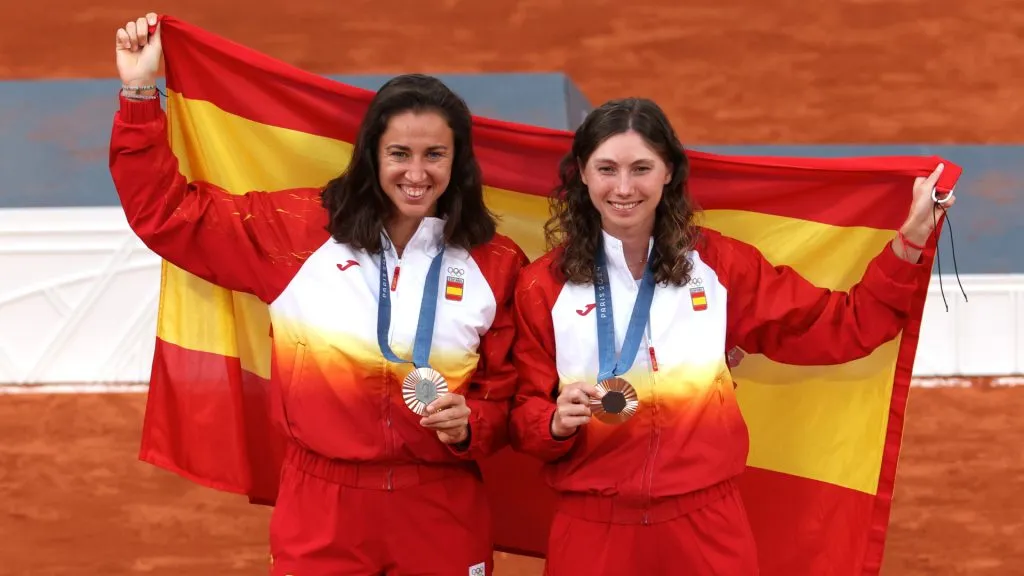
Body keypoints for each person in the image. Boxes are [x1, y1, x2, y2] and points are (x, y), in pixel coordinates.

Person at [111, 13, 528, 576]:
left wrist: (472, 421)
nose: (417, 173)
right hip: (322, 501)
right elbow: (168, 214)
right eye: (399, 153)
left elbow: (510, 393)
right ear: (371, 156)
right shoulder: (295, 232)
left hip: (441, 503)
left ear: (459, 164)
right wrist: (139, 92)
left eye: (436, 155)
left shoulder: (496, 262)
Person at [508, 97, 954, 575]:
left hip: (705, 524)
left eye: (641, 168)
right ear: (582, 172)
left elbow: (843, 327)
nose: (623, 187)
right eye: (606, 169)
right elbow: (523, 414)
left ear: (669, 173)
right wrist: (554, 422)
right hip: (594, 526)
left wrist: (907, 243)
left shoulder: (720, 269)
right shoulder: (544, 285)